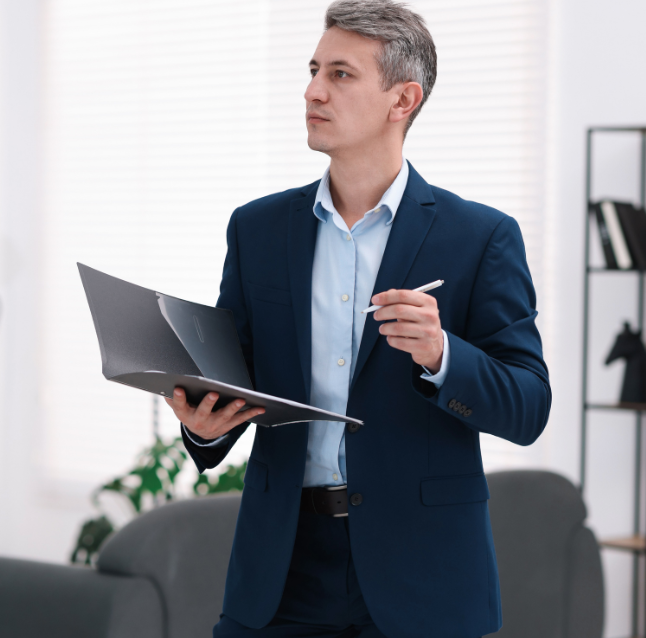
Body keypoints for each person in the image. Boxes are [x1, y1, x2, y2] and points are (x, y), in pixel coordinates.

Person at [164, 1, 550, 636]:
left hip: (423, 575)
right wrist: (204, 430)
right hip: (280, 570)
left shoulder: (480, 237)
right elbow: (236, 379)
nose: (313, 90)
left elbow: (529, 407)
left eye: (340, 74)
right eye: (314, 69)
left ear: (403, 99)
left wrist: (442, 355)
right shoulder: (257, 229)